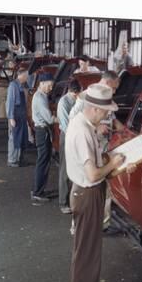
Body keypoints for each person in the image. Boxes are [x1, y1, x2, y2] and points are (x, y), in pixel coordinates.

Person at [65, 83, 134, 282]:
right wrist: (113, 163)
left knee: (86, 253)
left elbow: (96, 164)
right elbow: (93, 173)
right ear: (95, 108)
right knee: (87, 256)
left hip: (84, 192)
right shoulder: (84, 132)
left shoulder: (80, 124)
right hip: (88, 194)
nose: (107, 117)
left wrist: (117, 165)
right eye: (105, 112)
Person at [30, 73, 58, 204]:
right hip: (42, 131)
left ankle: (39, 189)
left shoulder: (41, 96)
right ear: (41, 83)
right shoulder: (40, 98)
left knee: (44, 161)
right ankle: (37, 193)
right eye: (49, 85)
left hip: (42, 131)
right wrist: (62, 119)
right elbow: (49, 119)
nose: (51, 88)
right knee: (42, 162)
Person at [57, 79, 82, 214]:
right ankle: (63, 202)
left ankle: (74, 200)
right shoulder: (63, 102)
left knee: (76, 169)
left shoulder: (78, 99)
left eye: (78, 94)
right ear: (69, 91)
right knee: (65, 170)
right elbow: (67, 125)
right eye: (74, 95)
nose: (76, 97)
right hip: (67, 137)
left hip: (77, 137)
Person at [6, 68, 29, 167]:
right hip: (16, 115)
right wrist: (11, 118)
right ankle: (12, 160)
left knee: (20, 137)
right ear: (22, 75)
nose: (27, 78)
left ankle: (18, 159)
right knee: (14, 138)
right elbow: (10, 102)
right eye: (26, 76)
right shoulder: (13, 85)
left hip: (21, 115)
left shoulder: (21, 85)